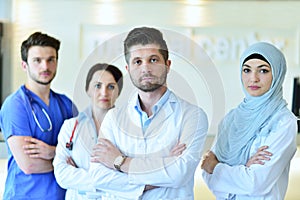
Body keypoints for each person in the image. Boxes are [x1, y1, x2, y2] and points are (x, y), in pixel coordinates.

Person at [88, 26, 208, 199]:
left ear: (167, 65)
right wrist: (163, 169)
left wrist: (119, 161)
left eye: (153, 60)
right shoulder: (113, 119)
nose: (145, 69)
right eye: (137, 61)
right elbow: (98, 176)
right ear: (128, 69)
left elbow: (180, 173)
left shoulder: (193, 116)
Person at [201, 42, 298, 199]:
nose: (253, 78)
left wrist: (217, 167)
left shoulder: (284, 122)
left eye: (263, 70)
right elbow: (207, 175)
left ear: (277, 74)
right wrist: (243, 169)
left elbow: (256, 183)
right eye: (247, 70)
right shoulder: (231, 119)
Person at [0, 32, 78, 200]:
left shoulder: (66, 104)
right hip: (24, 195)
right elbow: (28, 164)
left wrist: (52, 152)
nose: (45, 67)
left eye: (51, 59)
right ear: (24, 65)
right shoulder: (16, 105)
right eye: (37, 60)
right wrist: (64, 159)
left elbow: (84, 152)